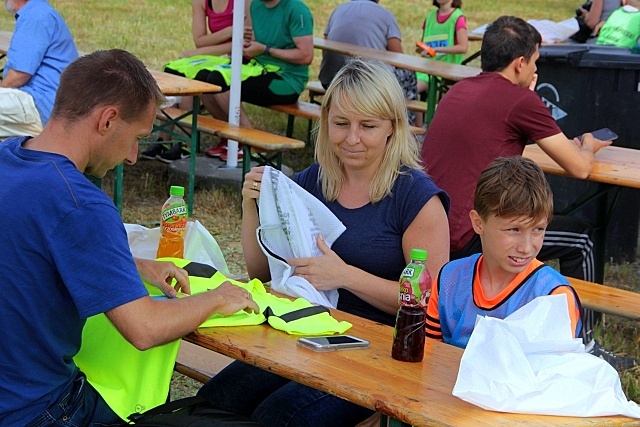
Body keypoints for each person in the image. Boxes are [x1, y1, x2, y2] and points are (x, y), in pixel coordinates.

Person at [0, 49, 260, 426]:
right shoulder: (80, 203)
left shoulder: (8, 157)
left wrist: (132, 265)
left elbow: (24, 247)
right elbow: (145, 328)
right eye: (138, 137)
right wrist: (217, 298)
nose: (135, 156)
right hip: (39, 411)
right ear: (107, 120)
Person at [197, 58, 450, 426]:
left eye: (368, 126)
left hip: (377, 351)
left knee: (279, 417)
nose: (352, 138)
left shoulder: (416, 198)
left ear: (393, 128)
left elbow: (429, 303)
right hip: (304, 327)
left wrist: (345, 276)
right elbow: (262, 270)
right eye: (341, 124)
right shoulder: (314, 180)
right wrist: (251, 206)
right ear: (326, 121)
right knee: (214, 401)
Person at [422, 15, 611, 287]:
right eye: (535, 61)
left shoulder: (458, 89)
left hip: (431, 232)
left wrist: (524, 95)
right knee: (581, 238)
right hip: (469, 237)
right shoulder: (521, 101)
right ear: (520, 63)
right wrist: (590, 145)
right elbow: (579, 167)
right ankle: (582, 330)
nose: (536, 68)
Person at [426, 156, 583, 348]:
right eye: (513, 230)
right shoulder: (449, 278)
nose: (526, 247)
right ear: (478, 223)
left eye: (538, 229)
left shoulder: (553, 296)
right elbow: (430, 355)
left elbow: (555, 372)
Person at [141, 0, 253, 162]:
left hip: (240, 60)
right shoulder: (201, 2)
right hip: (215, 58)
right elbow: (200, 40)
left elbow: (246, 43)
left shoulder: (244, 2)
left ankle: (187, 143)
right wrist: (230, 32)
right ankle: (165, 140)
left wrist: (198, 52)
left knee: (196, 78)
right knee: (174, 71)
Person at [200, 0, 313, 140]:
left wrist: (266, 50)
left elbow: (306, 56)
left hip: (288, 83)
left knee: (221, 83)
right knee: (205, 81)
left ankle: (249, 143)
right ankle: (230, 140)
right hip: (259, 68)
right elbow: (255, 41)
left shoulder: (296, 9)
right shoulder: (256, 6)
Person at [318, 0, 419, 125]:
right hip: (368, 84)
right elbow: (398, 57)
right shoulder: (385, 15)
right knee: (409, 75)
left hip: (331, 80)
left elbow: (326, 46)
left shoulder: (339, 9)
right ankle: (412, 126)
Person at [0, 0, 78, 140]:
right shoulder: (38, 11)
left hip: (41, 106)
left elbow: (20, 75)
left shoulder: (36, 16)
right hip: (49, 108)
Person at [414, 0, 468, 127]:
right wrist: (423, 49)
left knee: (411, 89)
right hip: (425, 67)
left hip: (445, 69)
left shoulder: (457, 17)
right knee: (404, 86)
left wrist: (438, 50)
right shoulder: (430, 16)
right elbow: (423, 45)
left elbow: (463, 47)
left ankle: (420, 128)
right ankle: (419, 126)